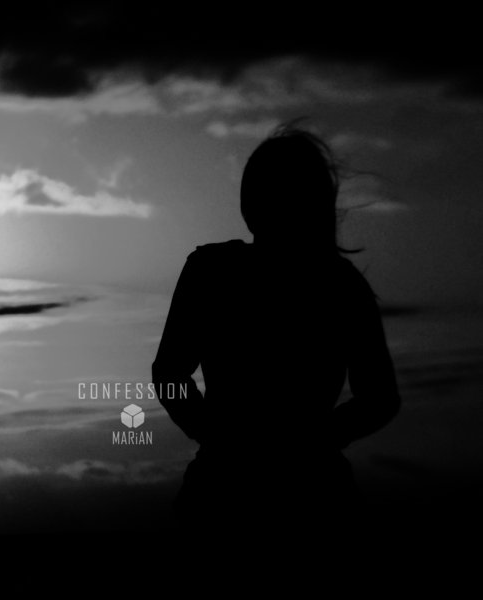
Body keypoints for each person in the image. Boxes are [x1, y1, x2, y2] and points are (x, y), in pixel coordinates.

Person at [152, 125, 401, 544]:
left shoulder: (213, 271)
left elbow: (168, 374)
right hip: (310, 495)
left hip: (233, 493)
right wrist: (312, 441)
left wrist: (220, 438)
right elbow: (380, 398)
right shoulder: (341, 284)